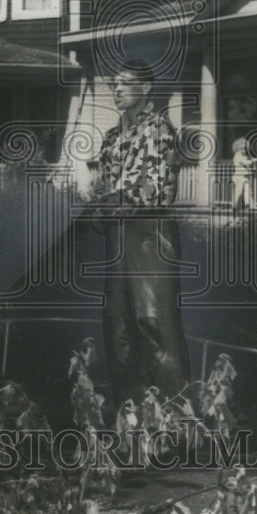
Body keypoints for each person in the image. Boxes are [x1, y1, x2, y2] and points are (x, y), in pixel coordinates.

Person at [91, 60, 191, 406]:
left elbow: (155, 191)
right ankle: (131, 422)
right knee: (118, 330)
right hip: (118, 238)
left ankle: (176, 426)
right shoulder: (112, 137)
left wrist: (107, 204)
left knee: (154, 327)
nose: (116, 90)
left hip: (151, 235)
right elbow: (99, 188)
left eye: (125, 84)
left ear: (145, 88)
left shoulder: (160, 129)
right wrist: (99, 210)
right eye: (113, 85)